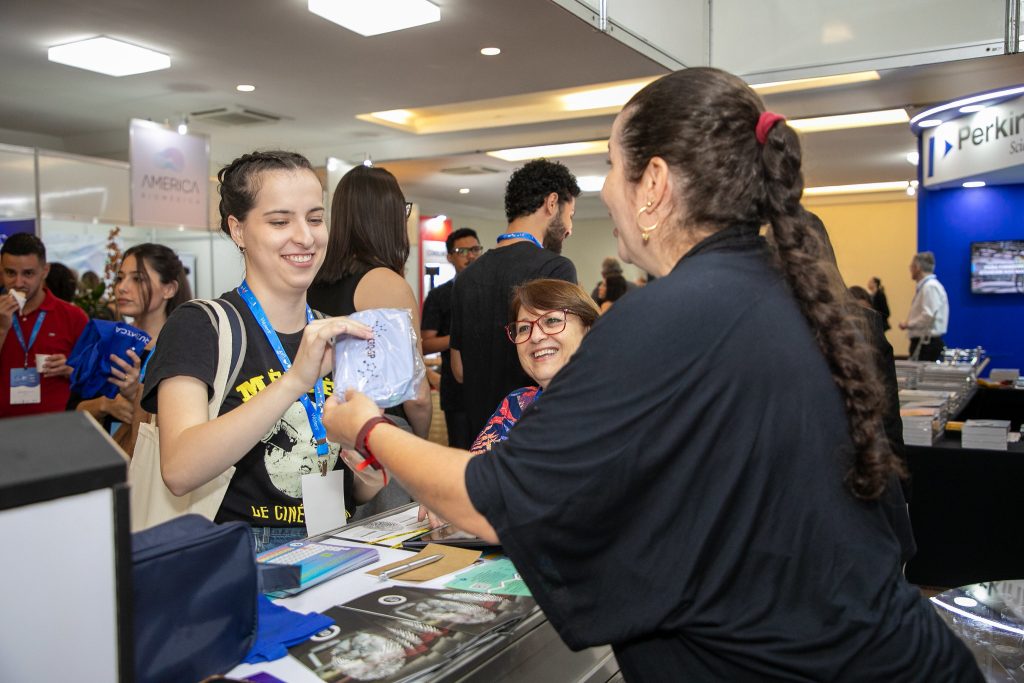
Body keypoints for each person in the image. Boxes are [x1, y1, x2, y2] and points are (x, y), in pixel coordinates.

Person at [322, 68, 981, 681]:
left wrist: (369, 426)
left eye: (612, 165)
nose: (606, 188)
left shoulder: (665, 318)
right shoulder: (797, 296)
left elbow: (490, 498)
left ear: (655, 184)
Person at [140, 151, 384, 552]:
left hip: (334, 545)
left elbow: (345, 481)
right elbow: (179, 469)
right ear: (238, 230)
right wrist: (294, 382)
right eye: (280, 221)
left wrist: (366, 480)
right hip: (236, 556)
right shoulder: (201, 325)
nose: (305, 237)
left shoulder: (333, 331)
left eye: (315, 218)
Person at [450, 159, 579, 437]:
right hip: (534, 437)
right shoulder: (555, 269)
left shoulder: (467, 277)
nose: (569, 228)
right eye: (571, 214)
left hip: (480, 443)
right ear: (552, 202)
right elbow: (567, 364)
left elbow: (459, 370)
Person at [307, 165, 432, 440]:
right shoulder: (385, 284)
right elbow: (417, 394)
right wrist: (420, 440)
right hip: (377, 430)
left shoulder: (312, 279)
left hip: (323, 421)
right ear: (390, 217)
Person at [75, 243, 192, 455]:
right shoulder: (108, 339)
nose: (122, 287)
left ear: (169, 289)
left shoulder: (182, 348)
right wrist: (105, 404)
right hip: (102, 460)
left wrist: (136, 396)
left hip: (154, 468)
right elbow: (74, 409)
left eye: (137, 279)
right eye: (120, 278)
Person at [471, 279, 598, 454]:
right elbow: (475, 474)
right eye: (523, 328)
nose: (535, 336)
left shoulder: (621, 408)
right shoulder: (515, 405)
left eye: (552, 320)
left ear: (589, 330)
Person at [1, 233, 88, 418]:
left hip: (56, 430)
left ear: (45, 271)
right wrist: (1, 329)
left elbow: (93, 377)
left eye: (28, 273)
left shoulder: (73, 317)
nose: (18, 283)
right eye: (10, 273)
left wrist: (71, 370)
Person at [420, 227, 482, 449]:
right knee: (461, 453)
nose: (470, 255)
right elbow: (425, 345)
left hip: (490, 388)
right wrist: (458, 337)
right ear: (449, 257)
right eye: (462, 250)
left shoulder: (491, 289)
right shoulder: (439, 296)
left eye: (475, 249)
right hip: (456, 392)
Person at [899, 251, 949, 361]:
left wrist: (908, 324)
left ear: (917, 267)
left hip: (927, 345)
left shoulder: (930, 287)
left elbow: (928, 316)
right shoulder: (926, 287)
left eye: (911, 266)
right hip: (924, 343)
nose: (910, 270)